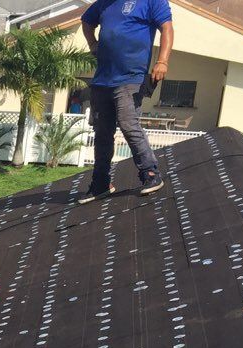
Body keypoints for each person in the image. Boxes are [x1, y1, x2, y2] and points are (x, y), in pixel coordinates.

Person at [77, 0, 174, 203]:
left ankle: (150, 173)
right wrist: (92, 44)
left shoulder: (151, 1)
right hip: (103, 79)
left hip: (131, 77)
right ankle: (100, 184)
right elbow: (86, 21)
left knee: (128, 123)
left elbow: (166, 28)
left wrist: (162, 61)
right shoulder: (104, 3)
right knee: (102, 133)